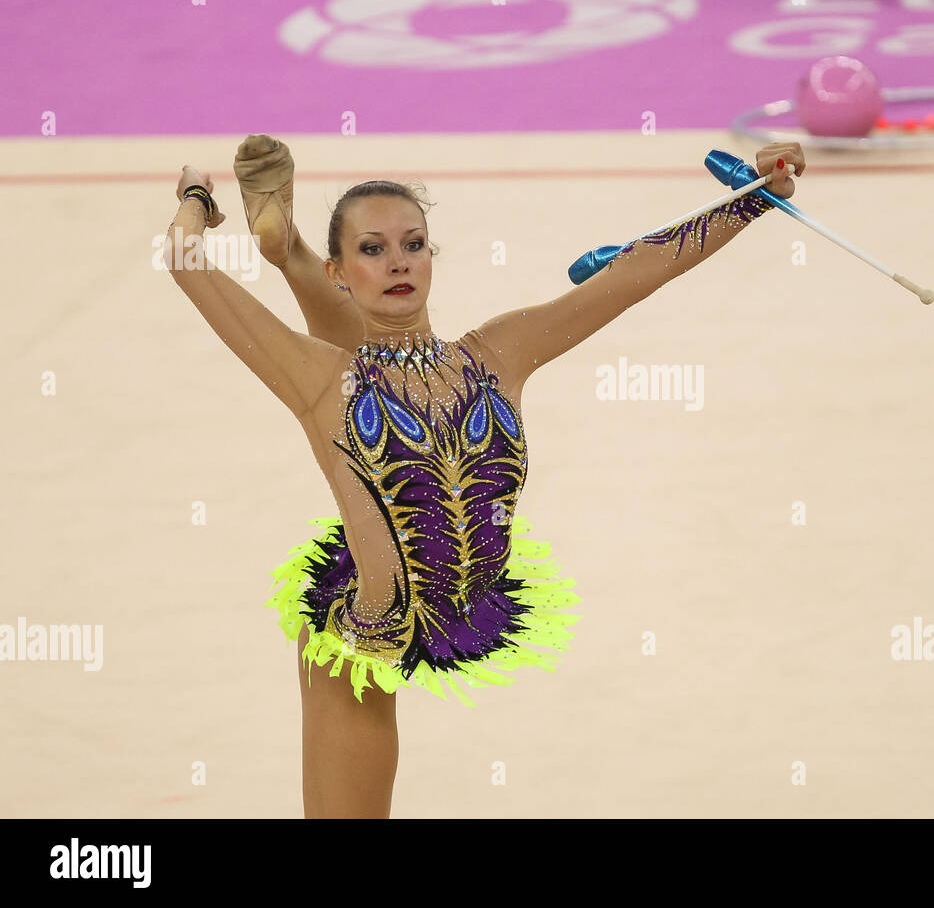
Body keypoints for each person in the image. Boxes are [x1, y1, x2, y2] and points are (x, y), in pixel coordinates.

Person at [163, 134, 804, 818]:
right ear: (340, 271)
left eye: (413, 244)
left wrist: (753, 198)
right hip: (362, 638)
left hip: (461, 604)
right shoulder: (320, 379)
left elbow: (633, 273)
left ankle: (285, 246)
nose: (399, 262)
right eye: (373, 250)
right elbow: (184, 262)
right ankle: (286, 249)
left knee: (369, 374)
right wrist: (198, 201)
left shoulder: (499, 353)